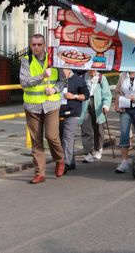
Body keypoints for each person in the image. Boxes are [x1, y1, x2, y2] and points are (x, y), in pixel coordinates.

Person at [20, 34, 66, 184]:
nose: (36, 47)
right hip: (32, 105)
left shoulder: (54, 60)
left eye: (39, 44)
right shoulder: (26, 61)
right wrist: (41, 76)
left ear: (44, 45)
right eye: (33, 44)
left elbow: (62, 81)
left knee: (52, 136)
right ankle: (40, 172)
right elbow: (24, 83)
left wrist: (54, 90)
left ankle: (60, 159)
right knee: (36, 140)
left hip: (51, 104)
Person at [59, 69, 90, 173]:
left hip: (73, 113)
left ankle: (65, 164)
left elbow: (86, 95)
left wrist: (74, 96)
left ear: (69, 69)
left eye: (63, 69)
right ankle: (71, 161)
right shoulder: (57, 79)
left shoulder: (77, 79)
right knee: (61, 138)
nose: (61, 71)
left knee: (68, 136)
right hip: (58, 113)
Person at [79, 70, 112, 165]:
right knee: (85, 128)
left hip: (98, 105)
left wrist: (106, 105)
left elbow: (107, 94)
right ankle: (88, 152)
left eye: (94, 70)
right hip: (85, 104)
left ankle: (98, 148)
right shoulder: (82, 78)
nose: (92, 72)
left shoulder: (101, 78)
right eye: (90, 70)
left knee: (99, 128)